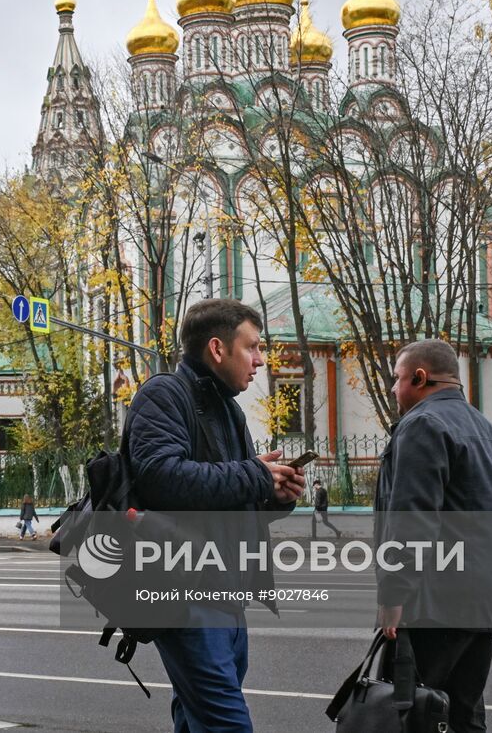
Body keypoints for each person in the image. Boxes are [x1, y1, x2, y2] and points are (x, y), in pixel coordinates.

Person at [125, 298, 305, 733]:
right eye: (252, 347)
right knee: (227, 723)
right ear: (217, 349)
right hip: (185, 594)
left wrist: (276, 494)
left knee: (196, 717)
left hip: (226, 594)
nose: (260, 360)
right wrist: (255, 475)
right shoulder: (164, 394)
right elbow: (161, 477)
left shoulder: (228, 408)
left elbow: (229, 493)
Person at [375, 338, 492, 733]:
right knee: (463, 714)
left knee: (414, 712)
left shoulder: (423, 424)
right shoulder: (486, 429)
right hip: (487, 602)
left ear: (420, 377)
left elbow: (412, 519)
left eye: (397, 379)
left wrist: (394, 596)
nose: (393, 389)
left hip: (435, 602)